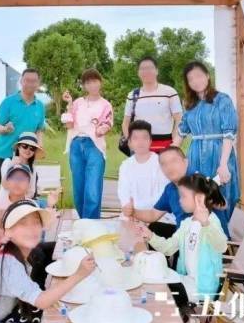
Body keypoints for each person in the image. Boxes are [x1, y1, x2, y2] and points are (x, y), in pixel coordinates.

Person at [135, 174, 227, 323]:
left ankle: (184, 320)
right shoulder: (187, 224)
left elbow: (222, 246)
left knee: (162, 290)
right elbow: (169, 248)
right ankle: (184, 318)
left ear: (199, 198)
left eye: (183, 196)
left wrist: (206, 223)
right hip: (186, 280)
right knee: (152, 279)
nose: (180, 200)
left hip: (203, 287)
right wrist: (149, 235)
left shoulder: (211, 222)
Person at [172, 61, 240, 237]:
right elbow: (181, 131)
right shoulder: (190, 104)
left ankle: (223, 241)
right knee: (196, 196)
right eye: (191, 79)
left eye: (199, 76)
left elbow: (229, 134)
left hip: (219, 154)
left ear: (208, 76)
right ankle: (198, 238)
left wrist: (223, 164)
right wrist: (169, 156)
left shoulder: (222, 100)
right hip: (195, 155)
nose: (196, 81)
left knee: (219, 196)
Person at [0, 164, 58, 289]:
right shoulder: (0, 204)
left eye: (22, 179)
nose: (17, 182)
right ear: (7, 183)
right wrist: (1, 226)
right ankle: (34, 292)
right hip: (8, 246)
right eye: (13, 178)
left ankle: (40, 286)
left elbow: (45, 226)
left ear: (28, 184)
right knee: (38, 255)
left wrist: (50, 205)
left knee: (55, 249)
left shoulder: (30, 203)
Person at [62, 68, 114, 219]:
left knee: (93, 189)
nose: (92, 85)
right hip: (76, 145)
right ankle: (83, 222)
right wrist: (69, 104)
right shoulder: (78, 103)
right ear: (84, 85)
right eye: (88, 82)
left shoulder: (106, 105)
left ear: (100, 82)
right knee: (78, 188)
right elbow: (69, 125)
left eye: (95, 81)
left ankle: (91, 225)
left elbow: (107, 124)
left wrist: (102, 129)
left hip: (94, 147)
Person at [117, 120, 175, 235]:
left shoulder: (160, 163)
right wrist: (128, 207)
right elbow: (123, 191)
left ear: (150, 141)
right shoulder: (125, 165)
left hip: (158, 216)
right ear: (129, 142)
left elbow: (163, 196)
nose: (140, 142)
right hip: (133, 215)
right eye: (136, 138)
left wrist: (141, 214)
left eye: (144, 138)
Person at [0, 68, 46, 183]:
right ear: (21, 81)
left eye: (34, 81)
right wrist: (5, 129)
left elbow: (39, 129)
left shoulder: (40, 106)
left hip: (26, 156)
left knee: (28, 188)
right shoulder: (8, 102)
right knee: (2, 189)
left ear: (38, 83)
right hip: (4, 155)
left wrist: (39, 147)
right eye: (27, 80)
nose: (30, 84)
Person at [121, 57, 183, 153]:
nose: (146, 71)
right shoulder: (133, 95)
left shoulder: (170, 92)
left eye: (150, 68)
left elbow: (179, 119)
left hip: (165, 145)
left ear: (157, 71)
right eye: (143, 69)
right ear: (138, 73)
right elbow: (125, 122)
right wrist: (131, 142)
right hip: (140, 147)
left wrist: (175, 143)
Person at [0, 132, 45, 205]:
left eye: (32, 148)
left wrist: (22, 201)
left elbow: (32, 191)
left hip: (24, 203)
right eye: (25, 146)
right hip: (5, 203)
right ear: (18, 147)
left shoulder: (32, 168)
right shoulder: (8, 162)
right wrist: (12, 166)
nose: (28, 150)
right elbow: (5, 185)